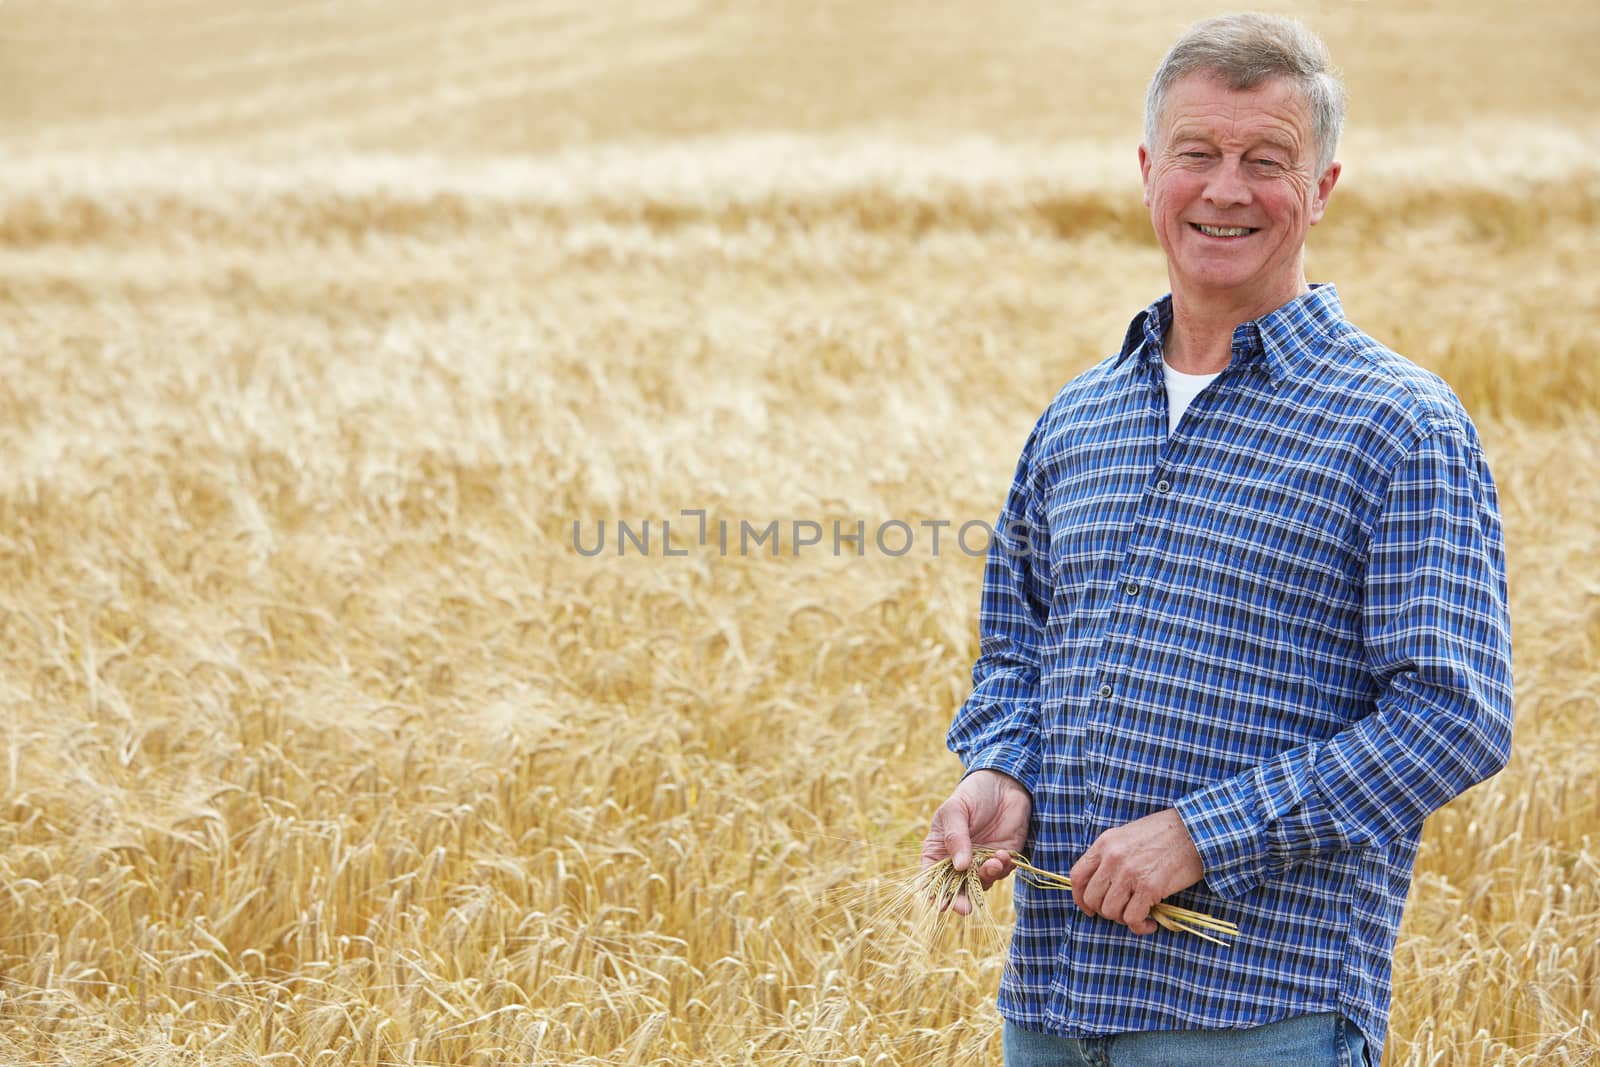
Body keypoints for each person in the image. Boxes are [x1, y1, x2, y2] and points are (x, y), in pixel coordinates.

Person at [920, 13, 1513, 1067]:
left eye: (1265, 161)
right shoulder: (1079, 419)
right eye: (1197, 155)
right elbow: (1017, 653)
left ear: (1322, 187)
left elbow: (1453, 715)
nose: (1225, 189)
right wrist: (1001, 773)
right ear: (1150, 171)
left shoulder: (1396, 424)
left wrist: (1203, 833)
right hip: (1051, 1011)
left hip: (1258, 1019)